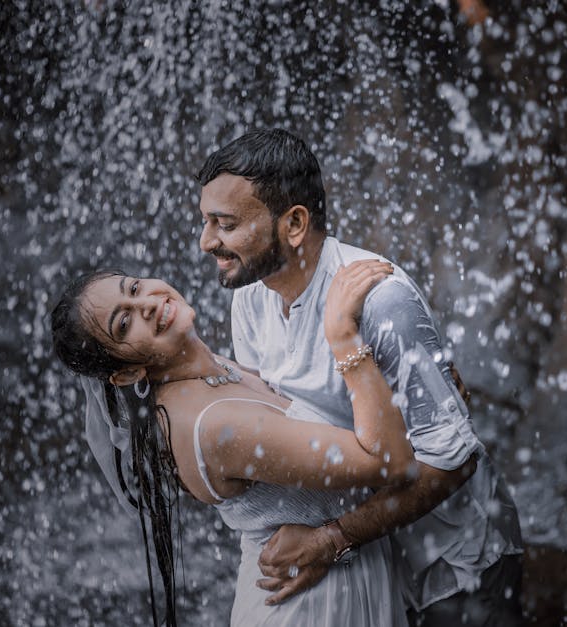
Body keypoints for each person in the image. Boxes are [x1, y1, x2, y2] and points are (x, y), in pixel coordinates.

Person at [196, 128, 524, 626]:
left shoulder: (381, 300)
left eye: (226, 224)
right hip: (368, 562)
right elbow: (279, 425)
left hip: (451, 564)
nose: (207, 242)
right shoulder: (251, 297)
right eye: (206, 222)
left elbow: (455, 462)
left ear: (294, 223)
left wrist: (332, 539)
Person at [51, 261, 414, 626]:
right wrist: (344, 336)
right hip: (311, 609)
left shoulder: (204, 370)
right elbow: (391, 462)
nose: (145, 303)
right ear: (129, 372)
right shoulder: (213, 426)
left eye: (133, 288)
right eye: (124, 323)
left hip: (334, 585)